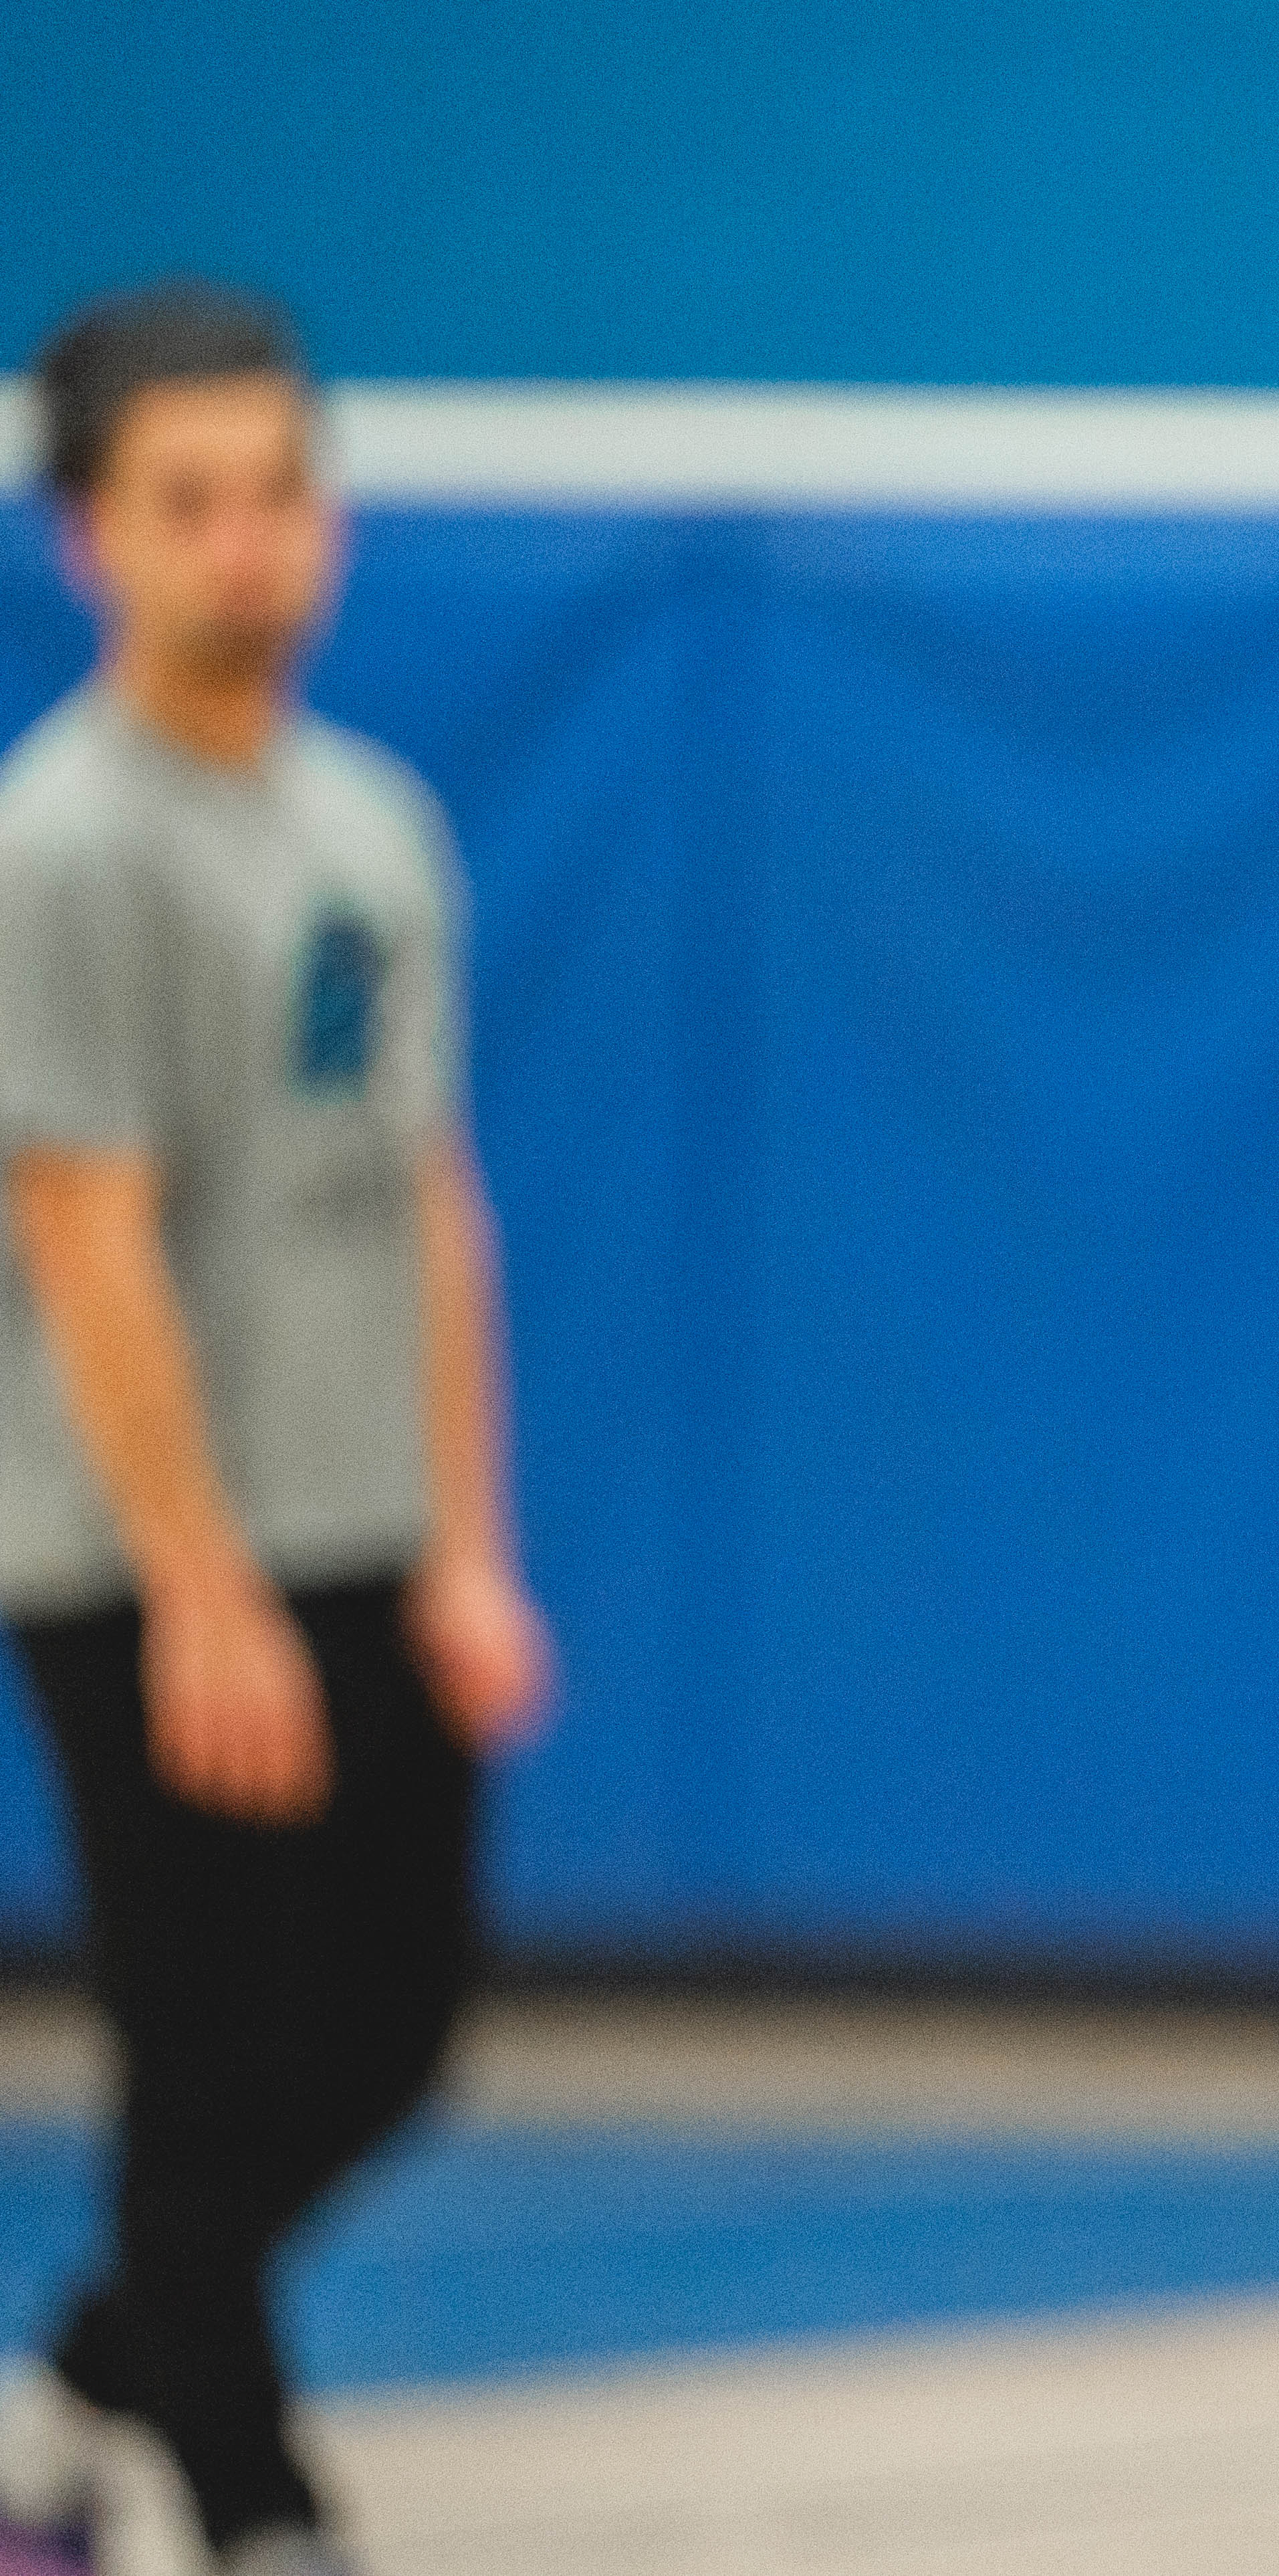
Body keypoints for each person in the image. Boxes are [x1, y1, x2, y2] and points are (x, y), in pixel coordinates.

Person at [0, 283, 550, 2576]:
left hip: (362, 1517)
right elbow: (85, 1231)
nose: (249, 542)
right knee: (209, 2045)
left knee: (395, 2027)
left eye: (281, 490)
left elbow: (425, 1196)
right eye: (188, 501)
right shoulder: (62, 845)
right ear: (85, 541)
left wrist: (463, 1539)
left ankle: (81, 2375)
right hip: (140, 1556)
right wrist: (197, 1585)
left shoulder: (374, 824)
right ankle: (252, 2497)